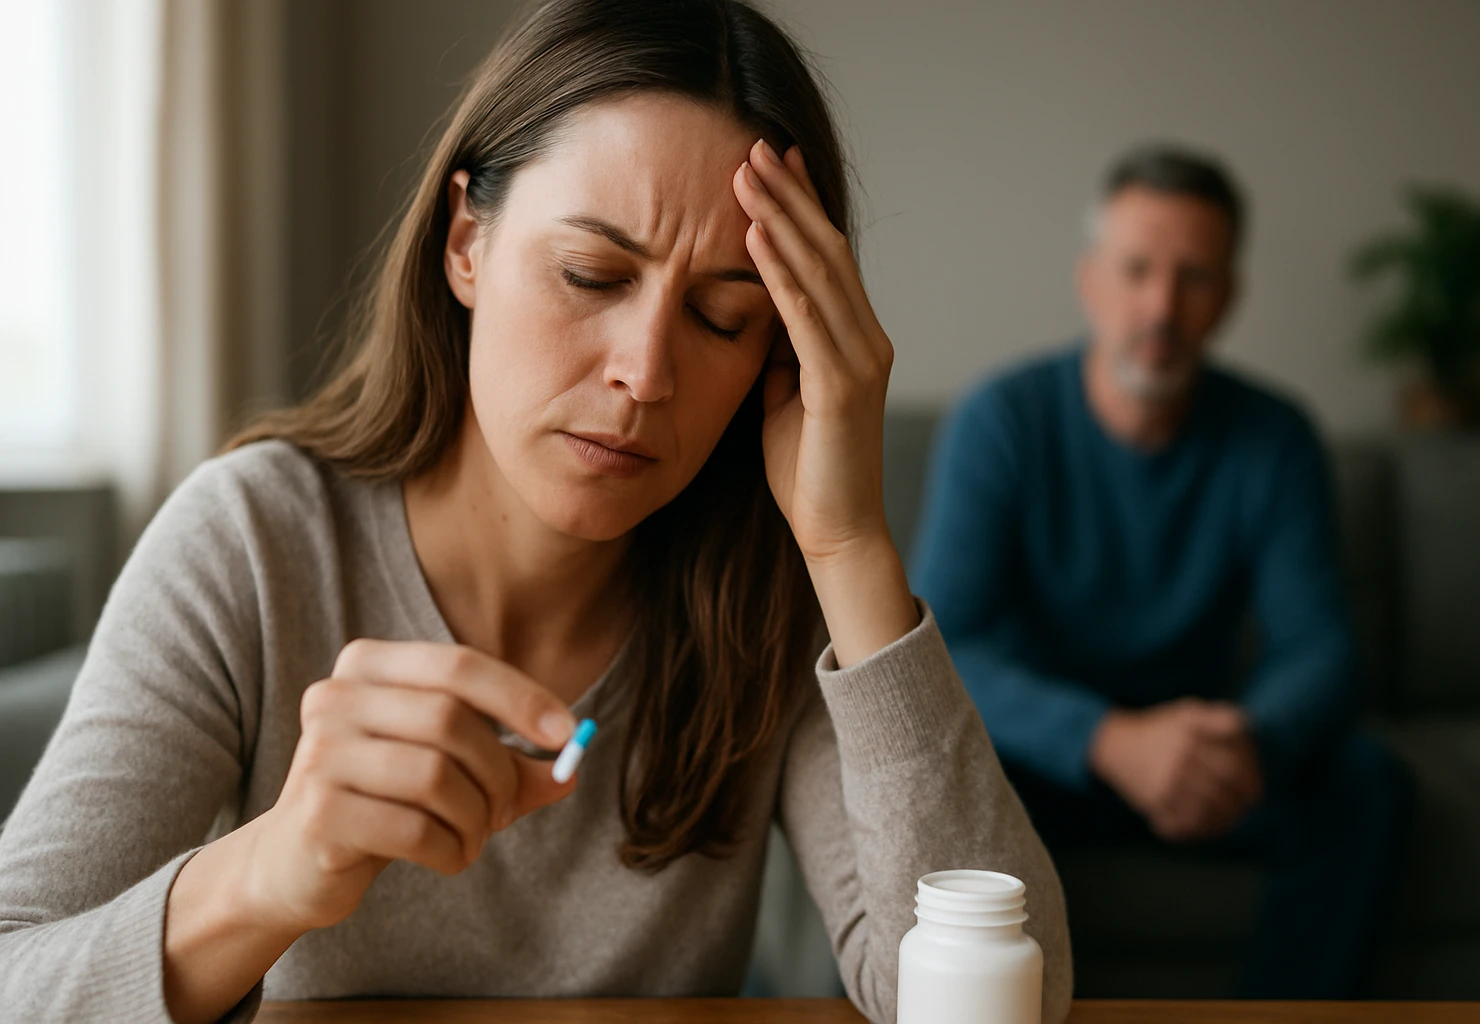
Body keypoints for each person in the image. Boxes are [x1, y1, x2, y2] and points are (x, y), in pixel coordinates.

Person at [0, 3, 1073, 1022]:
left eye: (719, 315)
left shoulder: (770, 587)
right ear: (465, 241)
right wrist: (267, 874)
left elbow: (1014, 999)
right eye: (590, 273)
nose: (646, 373)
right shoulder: (252, 541)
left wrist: (849, 548)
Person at [911, 144, 1410, 998]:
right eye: (1137, 270)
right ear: (1090, 279)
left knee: (1367, 787)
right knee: (947, 793)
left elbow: (1322, 650)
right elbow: (946, 647)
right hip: (1043, 759)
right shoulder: (1003, 420)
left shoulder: (1276, 437)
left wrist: (1249, 742)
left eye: (1195, 277)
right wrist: (1107, 741)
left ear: (1229, 297)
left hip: (1205, 757)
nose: (1161, 307)